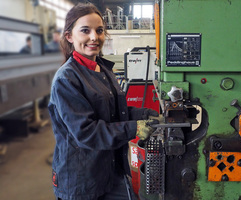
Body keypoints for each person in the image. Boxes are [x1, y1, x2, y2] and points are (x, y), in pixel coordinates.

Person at [48, 3, 159, 200]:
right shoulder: (67, 79)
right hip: (82, 179)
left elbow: (113, 113)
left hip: (111, 167)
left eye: (99, 31)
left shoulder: (103, 69)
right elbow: (87, 132)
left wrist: (145, 115)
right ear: (69, 36)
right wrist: (136, 128)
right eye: (85, 31)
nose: (94, 37)